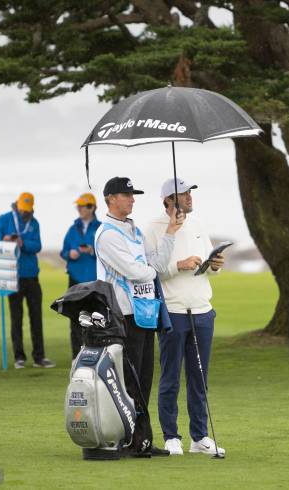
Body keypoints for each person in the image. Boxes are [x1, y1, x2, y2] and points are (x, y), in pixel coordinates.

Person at [94, 176, 184, 457]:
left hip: (144, 312)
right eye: (126, 194)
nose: (132, 199)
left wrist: (171, 231)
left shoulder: (133, 230)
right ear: (110, 198)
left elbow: (154, 263)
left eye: (133, 194)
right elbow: (137, 271)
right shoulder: (107, 234)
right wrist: (149, 267)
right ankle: (131, 439)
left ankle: (141, 440)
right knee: (129, 381)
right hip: (123, 315)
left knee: (144, 379)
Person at [144, 178, 226, 456]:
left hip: (202, 309)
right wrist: (178, 264)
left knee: (199, 378)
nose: (190, 196)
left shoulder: (199, 225)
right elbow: (150, 269)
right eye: (183, 193)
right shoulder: (153, 229)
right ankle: (171, 436)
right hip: (173, 312)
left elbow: (207, 266)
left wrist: (214, 265)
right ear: (168, 200)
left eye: (191, 192)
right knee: (170, 377)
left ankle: (200, 437)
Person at [0, 192, 55, 369]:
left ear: (31, 208)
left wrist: (22, 243)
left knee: (36, 317)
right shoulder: (6, 218)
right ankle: (19, 357)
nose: (24, 213)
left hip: (32, 276)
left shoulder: (34, 223)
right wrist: (2, 238)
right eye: (22, 209)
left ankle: (39, 357)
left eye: (27, 210)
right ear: (17, 205)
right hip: (13, 276)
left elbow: (37, 246)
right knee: (16, 318)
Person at [60, 192, 101, 358]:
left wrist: (92, 251)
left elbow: (107, 253)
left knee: (95, 320)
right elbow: (63, 251)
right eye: (78, 206)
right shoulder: (73, 228)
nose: (79, 209)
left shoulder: (100, 228)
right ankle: (76, 357)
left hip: (94, 282)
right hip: (75, 280)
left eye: (82, 206)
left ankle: (95, 355)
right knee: (75, 320)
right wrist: (71, 254)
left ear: (91, 207)